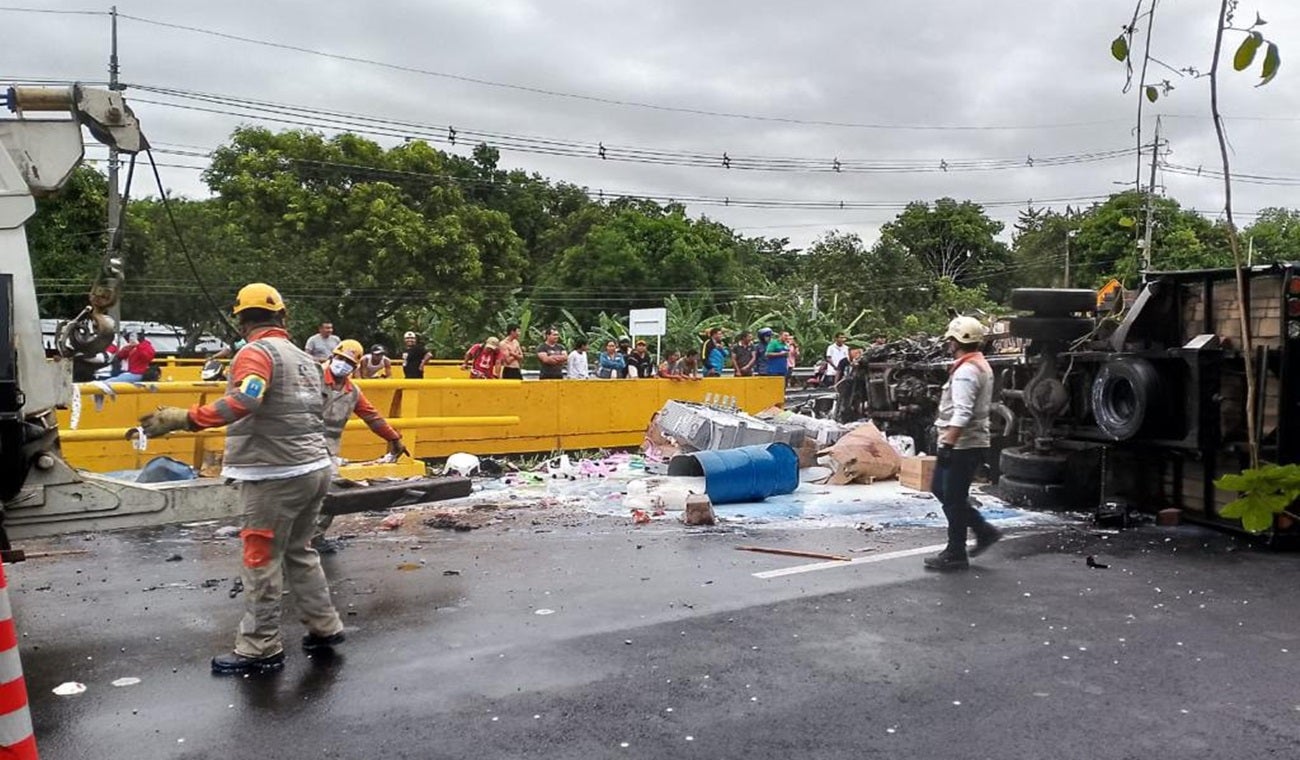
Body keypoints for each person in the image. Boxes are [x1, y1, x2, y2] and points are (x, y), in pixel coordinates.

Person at [136, 283, 345, 675]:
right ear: (283, 317)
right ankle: (325, 627)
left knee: (261, 559)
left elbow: (248, 399)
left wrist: (187, 418)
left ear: (241, 321)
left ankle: (259, 647)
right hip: (314, 468)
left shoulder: (254, 353)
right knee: (300, 551)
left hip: (274, 474)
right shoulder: (303, 357)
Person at [312, 339, 408, 551]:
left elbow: (372, 417)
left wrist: (394, 438)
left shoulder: (352, 392)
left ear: (354, 367)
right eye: (340, 358)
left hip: (326, 448)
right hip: (299, 442)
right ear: (332, 357)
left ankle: (315, 537)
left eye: (348, 362)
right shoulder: (312, 378)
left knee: (331, 490)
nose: (342, 364)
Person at [924, 316, 1002, 572]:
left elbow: (963, 412)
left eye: (950, 340)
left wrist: (948, 443)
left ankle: (956, 551)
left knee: (953, 498)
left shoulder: (967, 371)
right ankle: (982, 530)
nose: (948, 344)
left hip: (963, 444)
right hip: (967, 442)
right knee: (945, 492)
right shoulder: (978, 364)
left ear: (957, 341)